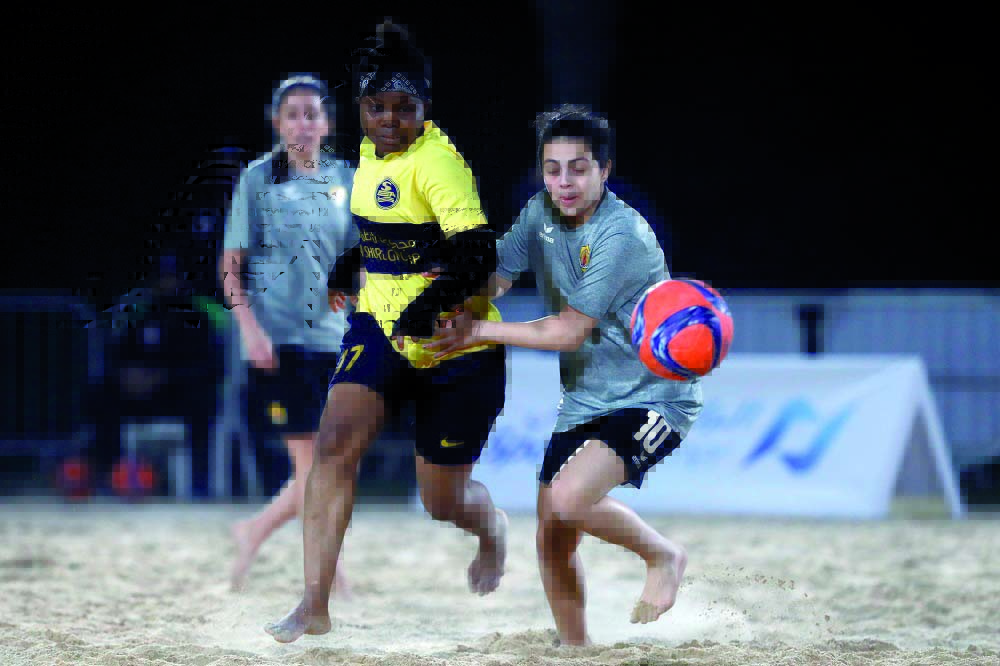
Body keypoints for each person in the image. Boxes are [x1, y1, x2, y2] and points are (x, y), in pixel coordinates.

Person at [265, 21, 508, 643]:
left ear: (425, 109)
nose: (391, 120)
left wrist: (432, 306)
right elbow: (386, 228)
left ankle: (490, 532)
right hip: (379, 327)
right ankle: (313, 604)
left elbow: (477, 254)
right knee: (334, 446)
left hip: (457, 347)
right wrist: (354, 264)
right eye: (378, 108)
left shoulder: (439, 164)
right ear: (361, 110)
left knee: (441, 501)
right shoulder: (372, 156)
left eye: (405, 109)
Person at [426, 105, 703, 646]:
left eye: (578, 168)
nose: (564, 182)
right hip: (583, 400)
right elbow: (495, 278)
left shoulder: (620, 235)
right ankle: (577, 649)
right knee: (552, 535)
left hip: (653, 398)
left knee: (569, 501)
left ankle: (665, 556)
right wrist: (442, 293)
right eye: (553, 169)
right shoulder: (538, 215)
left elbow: (569, 332)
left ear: (604, 170)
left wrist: (479, 333)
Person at [221, 75, 356, 593]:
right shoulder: (258, 179)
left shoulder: (344, 179)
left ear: (327, 122)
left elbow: (352, 262)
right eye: (293, 113)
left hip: (333, 337)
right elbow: (231, 266)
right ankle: (330, 574)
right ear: (276, 121)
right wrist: (248, 328)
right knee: (314, 462)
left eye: (312, 113)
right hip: (279, 339)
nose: (304, 122)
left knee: (330, 460)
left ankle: (254, 531)